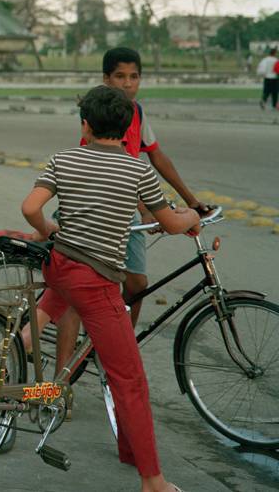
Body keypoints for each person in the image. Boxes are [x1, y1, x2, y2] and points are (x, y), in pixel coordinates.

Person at [21, 84, 202, 492]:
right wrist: (191, 213)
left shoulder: (62, 159)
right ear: (127, 129)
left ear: (84, 125)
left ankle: (10, 348)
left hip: (60, 264)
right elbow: (171, 223)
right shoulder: (137, 169)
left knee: (53, 303)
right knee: (130, 380)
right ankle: (153, 481)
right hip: (96, 281)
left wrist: (47, 228)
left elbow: (31, 208)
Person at [42, 46, 212, 369]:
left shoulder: (137, 113)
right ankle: (59, 379)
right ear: (106, 79)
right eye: (120, 76)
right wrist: (150, 209)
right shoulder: (100, 119)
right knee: (74, 299)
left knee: (136, 285)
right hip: (93, 214)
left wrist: (190, 200)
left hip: (126, 212)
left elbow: (157, 157)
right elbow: (109, 175)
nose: (128, 83)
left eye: (134, 76)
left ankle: (114, 350)